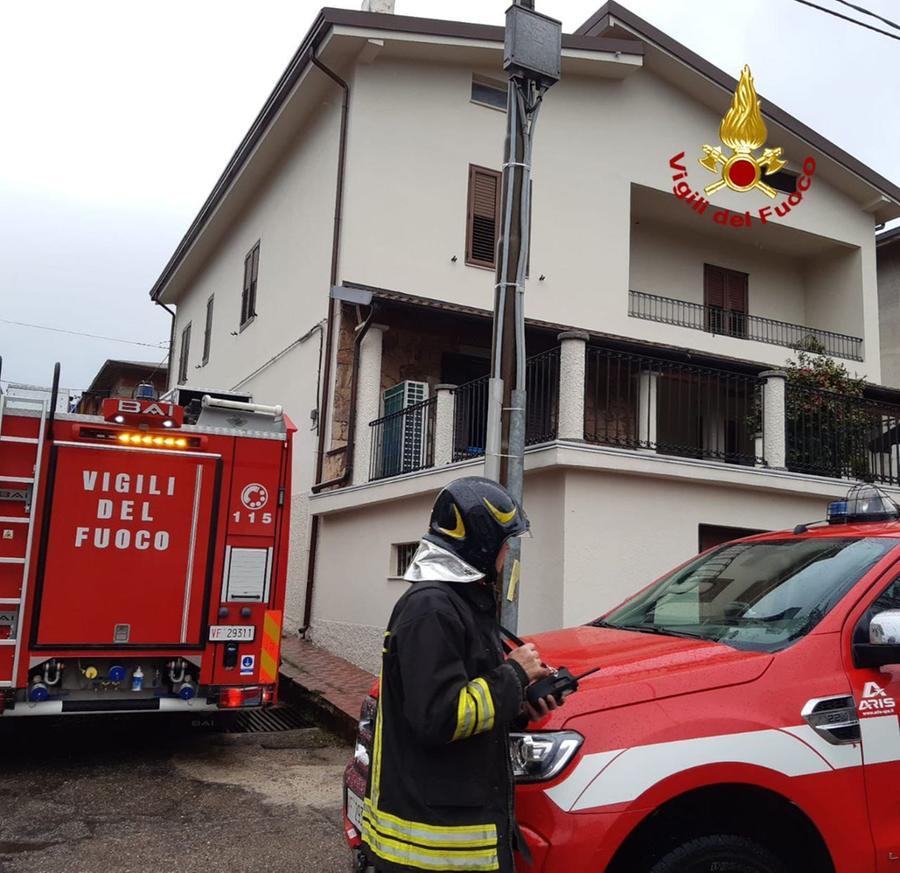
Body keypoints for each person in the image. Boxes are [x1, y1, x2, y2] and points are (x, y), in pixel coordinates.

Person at [361, 476, 561, 873]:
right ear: (481, 544)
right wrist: (515, 676)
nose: (508, 553)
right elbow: (438, 715)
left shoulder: (459, 604)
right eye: (505, 542)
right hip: (431, 848)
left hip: (451, 831)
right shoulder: (432, 609)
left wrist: (521, 702)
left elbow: (470, 697)